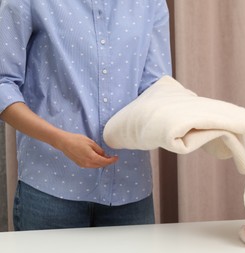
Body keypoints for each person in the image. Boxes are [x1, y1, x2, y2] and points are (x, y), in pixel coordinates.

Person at [0, 0, 172, 230]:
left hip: (129, 187)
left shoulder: (150, 3)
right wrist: (60, 140)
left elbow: (157, 87)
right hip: (50, 187)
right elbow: (3, 84)